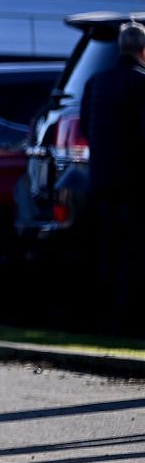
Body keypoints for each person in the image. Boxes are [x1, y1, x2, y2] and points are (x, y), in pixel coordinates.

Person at [81, 22, 145, 333]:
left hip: (101, 179)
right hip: (133, 184)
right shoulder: (140, 84)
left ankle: (102, 316)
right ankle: (126, 317)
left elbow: (84, 126)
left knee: (106, 249)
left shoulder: (96, 81)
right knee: (132, 252)